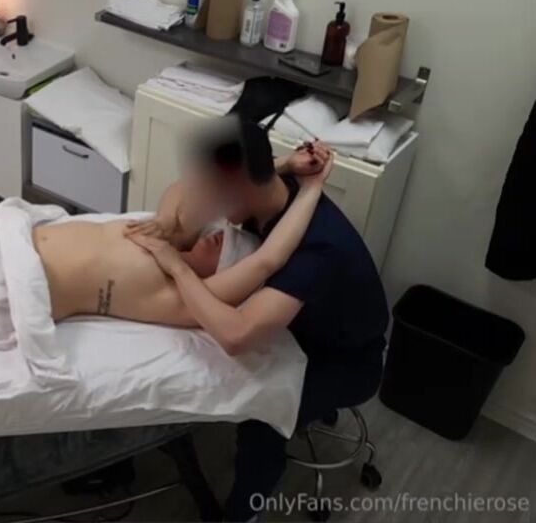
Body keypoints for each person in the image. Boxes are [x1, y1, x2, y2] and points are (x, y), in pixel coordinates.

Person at [130, 119, 389, 521]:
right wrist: (166, 223)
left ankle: (244, 511)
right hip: (304, 324)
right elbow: (182, 191)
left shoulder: (317, 249)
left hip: (345, 362)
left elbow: (237, 336)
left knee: (260, 419)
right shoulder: (269, 193)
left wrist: (177, 269)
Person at [35, 145, 332, 327]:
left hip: (31, 283)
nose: (221, 237)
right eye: (225, 235)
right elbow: (200, 184)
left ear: (227, 273)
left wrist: (312, 189)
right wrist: (285, 164)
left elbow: (267, 260)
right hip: (24, 238)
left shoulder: (178, 297)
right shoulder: (172, 238)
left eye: (230, 249)